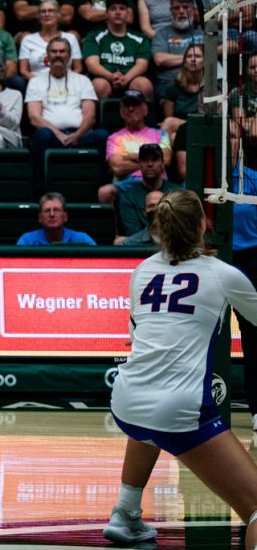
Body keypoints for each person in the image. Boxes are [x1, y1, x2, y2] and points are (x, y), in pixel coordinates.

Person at [99, 188, 257, 549]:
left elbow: (138, 334)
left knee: (150, 417)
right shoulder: (223, 274)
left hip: (126, 401)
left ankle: (125, 512)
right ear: (203, 224)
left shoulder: (140, 272)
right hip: (180, 411)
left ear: (160, 228)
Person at [24, 36, 107, 184]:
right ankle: (39, 189)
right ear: (47, 55)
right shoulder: (35, 82)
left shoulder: (83, 80)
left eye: (62, 51)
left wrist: (77, 135)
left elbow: (90, 116)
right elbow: (34, 117)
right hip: (51, 136)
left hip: (80, 135)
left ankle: (99, 189)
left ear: (69, 55)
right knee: (42, 135)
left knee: (101, 135)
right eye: (54, 51)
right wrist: (59, 134)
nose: (58, 55)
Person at [83, 0, 153, 101]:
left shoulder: (140, 38)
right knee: (99, 85)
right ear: (106, 13)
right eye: (113, 9)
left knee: (144, 84)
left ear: (128, 13)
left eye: (122, 9)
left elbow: (142, 65)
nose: (118, 12)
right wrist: (111, 77)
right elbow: (92, 65)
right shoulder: (94, 36)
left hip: (131, 79)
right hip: (104, 78)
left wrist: (126, 78)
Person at [105, 92, 171, 180]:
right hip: (127, 186)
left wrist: (130, 157)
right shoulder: (113, 138)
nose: (131, 109)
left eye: (136, 105)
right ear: (121, 111)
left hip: (156, 184)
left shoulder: (161, 134)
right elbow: (117, 168)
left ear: (145, 110)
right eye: (127, 105)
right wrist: (152, 161)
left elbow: (165, 160)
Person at [151, 0, 203, 92]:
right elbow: (160, 59)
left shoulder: (203, 30)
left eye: (186, 7)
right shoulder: (162, 33)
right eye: (176, 8)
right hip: (170, 84)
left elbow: (230, 45)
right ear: (171, 11)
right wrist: (200, 58)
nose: (181, 11)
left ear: (193, 9)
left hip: (202, 84)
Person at [158, 43, 204, 139]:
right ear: (184, 62)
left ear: (205, 62)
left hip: (204, 128)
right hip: (180, 129)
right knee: (172, 135)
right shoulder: (173, 87)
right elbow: (168, 118)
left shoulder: (212, 87)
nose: (193, 59)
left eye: (198, 56)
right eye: (189, 56)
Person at [17, 192, 96, 245]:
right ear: (40, 218)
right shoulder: (27, 240)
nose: (52, 214)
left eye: (56, 210)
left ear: (65, 217)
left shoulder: (82, 239)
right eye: (47, 211)